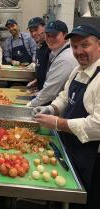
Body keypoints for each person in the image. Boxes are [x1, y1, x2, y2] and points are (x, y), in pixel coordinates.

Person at [34, 25, 100, 209]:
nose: (79, 51)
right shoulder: (79, 70)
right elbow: (65, 96)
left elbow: (97, 125)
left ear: (99, 45)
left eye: (85, 45)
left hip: (91, 158)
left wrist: (58, 123)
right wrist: (51, 108)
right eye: (74, 46)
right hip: (70, 148)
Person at [27, 20, 78, 107]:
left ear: (65, 35)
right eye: (47, 35)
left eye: (54, 35)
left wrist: (30, 105)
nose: (49, 39)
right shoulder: (56, 52)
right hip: (53, 101)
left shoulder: (65, 59)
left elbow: (50, 92)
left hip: (60, 105)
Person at [26, 17, 51, 91]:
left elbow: (52, 75)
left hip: (48, 92)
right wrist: (37, 81)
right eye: (31, 31)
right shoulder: (39, 45)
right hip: (41, 90)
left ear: (44, 27)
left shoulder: (50, 46)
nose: (33, 33)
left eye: (36, 30)